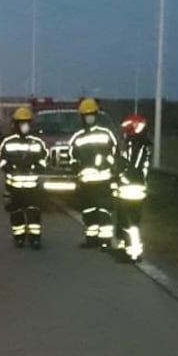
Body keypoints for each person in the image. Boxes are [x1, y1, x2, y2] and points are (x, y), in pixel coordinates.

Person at [67, 98, 119, 250]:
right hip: (86, 182)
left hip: (103, 181)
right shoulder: (77, 137)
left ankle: (105, 241)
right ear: (82, 117)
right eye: (86, 115)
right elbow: (72, 157)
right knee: (88, 210)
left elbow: (115, 154)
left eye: (91, 115)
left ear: (96, 115)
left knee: (103, 210)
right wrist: (76, 169)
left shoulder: (106, 134)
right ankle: (91, 239)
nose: (89, 118)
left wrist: (111, 169)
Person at [0, 107, 49, 249]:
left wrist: (36, 167)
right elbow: (1, 160)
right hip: (14, 186)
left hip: (32, 186)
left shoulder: (37, 142)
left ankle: (35, 239)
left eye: (27, 123)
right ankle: (19, 238)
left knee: (34, 212)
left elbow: (44, 160)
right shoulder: (8, 142)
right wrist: (10, 168)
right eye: (21, 123)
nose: (24, 126)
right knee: (16, 213)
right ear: (16, 124)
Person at [115, 114, 152, 261]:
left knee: (128, 221)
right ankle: (126, 248)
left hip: (130, 187)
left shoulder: (135, 145)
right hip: (138, 187)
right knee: (131, 220)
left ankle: (132, 252)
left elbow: (131, 167)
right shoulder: (143, 145)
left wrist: (120, 176)